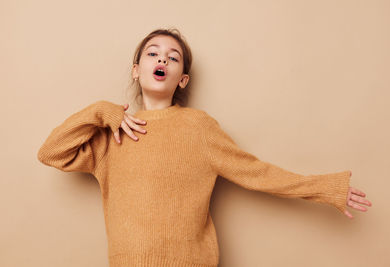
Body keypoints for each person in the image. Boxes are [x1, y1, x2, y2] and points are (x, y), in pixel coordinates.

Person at [37, 28, 372, 267]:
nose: (162, 60)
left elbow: (257, 173)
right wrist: (99, 111)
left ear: (182, 78)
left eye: (173, 57)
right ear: (137, 71)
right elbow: (51, 152)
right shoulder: (112, 135)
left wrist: (325, 189)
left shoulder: (199, 128)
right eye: (152, 53)